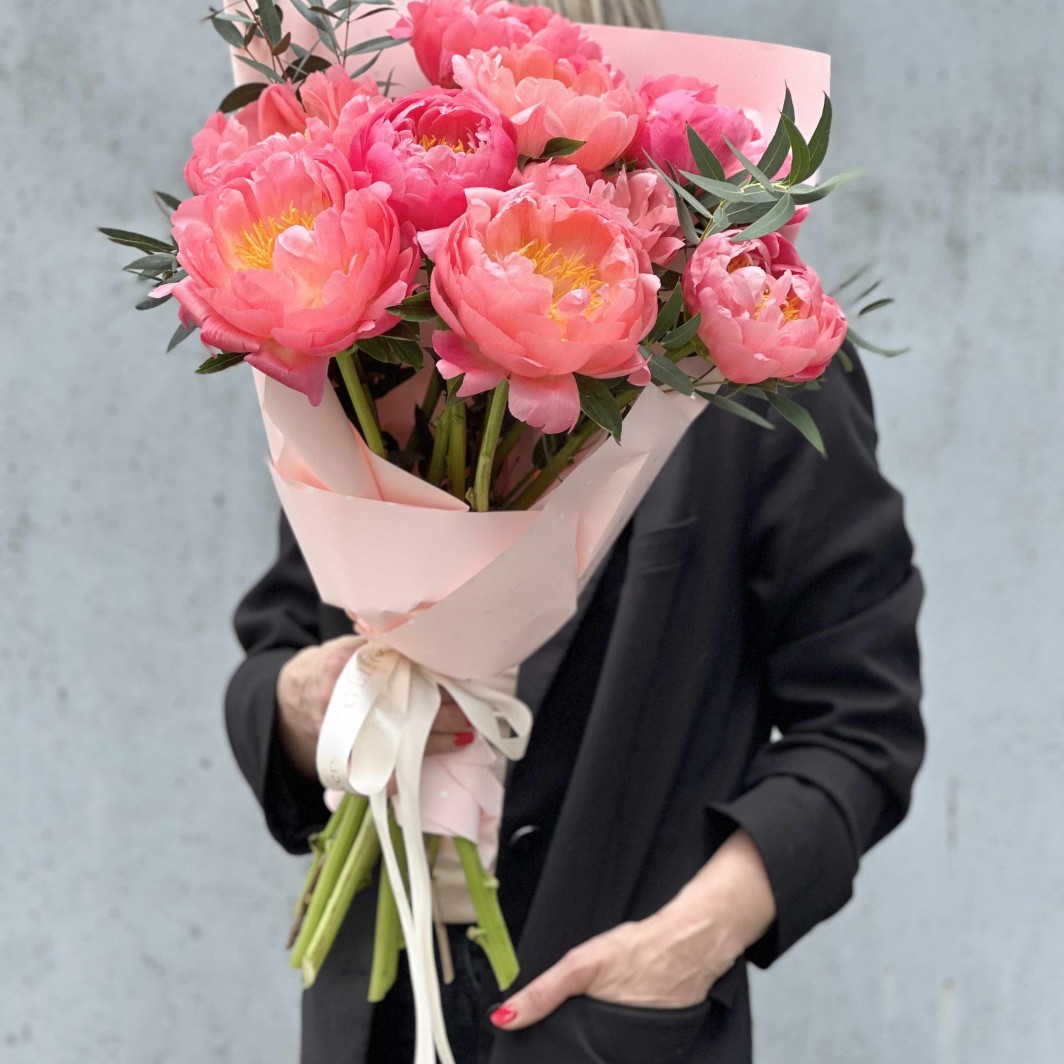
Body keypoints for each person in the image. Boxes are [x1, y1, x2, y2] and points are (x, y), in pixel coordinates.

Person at [225, 342, 925, 1064]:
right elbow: (276, 650)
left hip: (611, 1010)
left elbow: (861, 731)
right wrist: (314, 698)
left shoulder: (750, 349)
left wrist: (687, 944)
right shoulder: (378, 339)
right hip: (371, 1007)